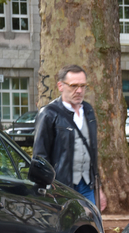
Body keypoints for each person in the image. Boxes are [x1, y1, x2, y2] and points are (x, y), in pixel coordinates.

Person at [33, 64, 99, 205]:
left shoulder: (88, 111)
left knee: (91, 224)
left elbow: (93, 151)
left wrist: (99, 187)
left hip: (87, 185)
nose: (79, 91)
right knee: (66, 225)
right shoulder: (49, 113)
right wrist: (46, 187)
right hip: (60, 187)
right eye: (73, 85)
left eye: (83, 86)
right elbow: (40, 156)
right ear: (60, 86)